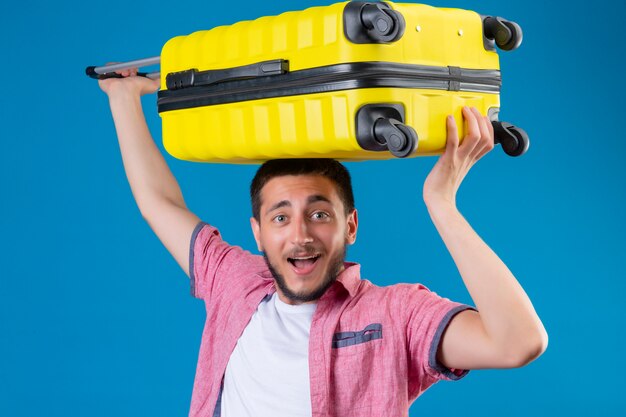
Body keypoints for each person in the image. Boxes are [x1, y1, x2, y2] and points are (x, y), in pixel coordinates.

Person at [98, 69, 548, 417]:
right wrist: (123, 100)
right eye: (281, 217)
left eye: (319, 214)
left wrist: (442, 204)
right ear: (257, 232)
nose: (300, 234)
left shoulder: (396, 315)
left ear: (350, 226)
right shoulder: (233, 281)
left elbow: (518, 342)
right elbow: (158, 203)